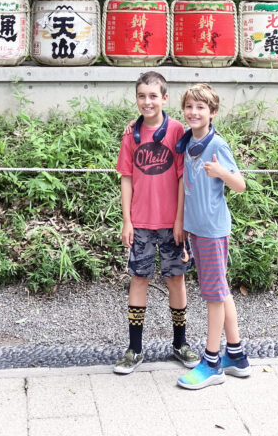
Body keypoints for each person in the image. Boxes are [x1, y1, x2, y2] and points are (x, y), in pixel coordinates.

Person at [113, 70, 201, 375]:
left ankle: (180, 343)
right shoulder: (131, 134)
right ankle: (135, 348)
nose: (147, 102)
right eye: (141, 96)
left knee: (176, 279)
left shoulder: (177, 130)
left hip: (171, 223)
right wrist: (127, 221)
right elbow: (126, 177)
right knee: (139, 278)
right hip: (140, 221)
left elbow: (182, 177)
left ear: (164, 98)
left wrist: (180, 220)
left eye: (153, 96)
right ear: (136, 98)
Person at [176, 82, 251, 390]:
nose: (194, 112)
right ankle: (236, 356)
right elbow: (183, 185)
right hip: (197, 228)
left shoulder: (216, 145)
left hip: (212, 231)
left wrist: (221, 173)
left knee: (213, 295)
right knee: (221, 290)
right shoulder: (187, 141)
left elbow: (240, 185)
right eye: (190, 106)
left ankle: (212, 363)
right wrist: (180, 222)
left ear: (213, 112)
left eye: (201, 107)